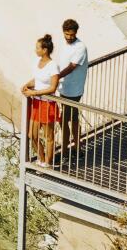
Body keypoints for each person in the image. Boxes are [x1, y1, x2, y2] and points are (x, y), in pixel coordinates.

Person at [20, 34, 61, 165]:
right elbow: (36, 80)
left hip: (47, 103)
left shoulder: (53, 65)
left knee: (49, 136)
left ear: (45, 50)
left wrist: (34, 92)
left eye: (38, 48)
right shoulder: (36, 62)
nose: (35, 50)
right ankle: (42, 159)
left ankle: (48, 163)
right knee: (32, 135)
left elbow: (53, 88)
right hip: (37, 103)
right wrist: (27, 85)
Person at [55, 18, 88, 161]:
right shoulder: (63, 44)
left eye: (72, 35)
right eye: (67, 35)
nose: (69, 37)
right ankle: (77, 148)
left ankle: (65, 152)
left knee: (64, 120)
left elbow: (71, 67)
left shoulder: (81, 47)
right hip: (64, 87)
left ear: (76, 33)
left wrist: (55, 78)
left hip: (74, 89)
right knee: (73, 118)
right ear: (63, 33)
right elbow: (60, 63)